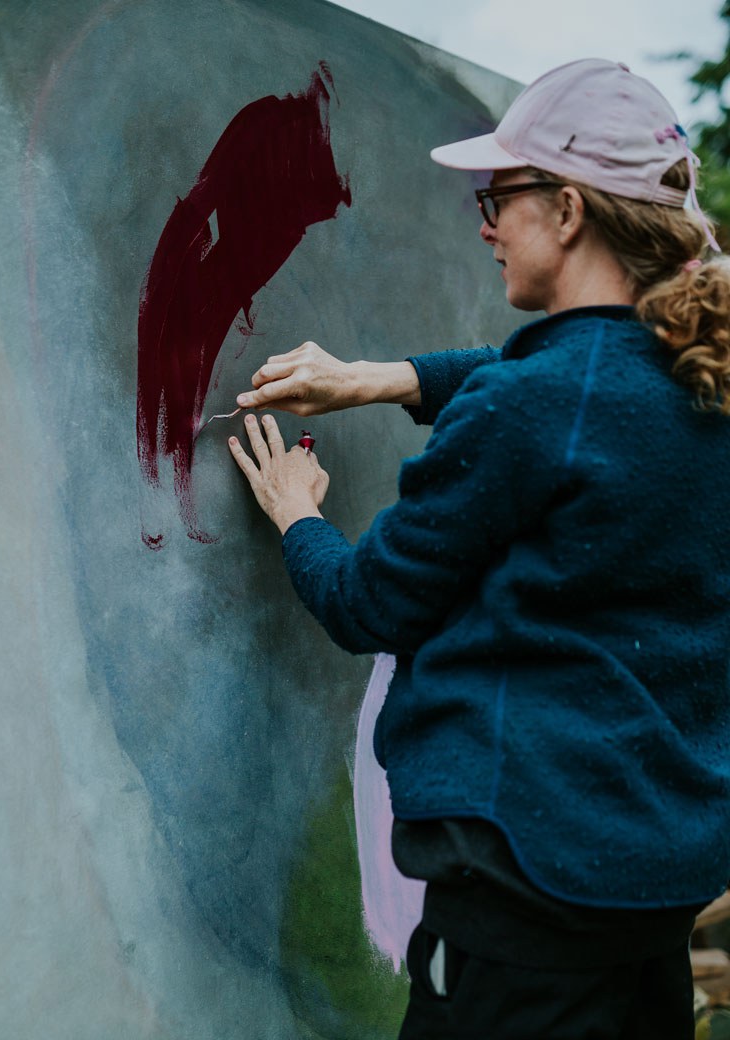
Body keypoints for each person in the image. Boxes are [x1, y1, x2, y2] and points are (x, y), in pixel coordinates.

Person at [228, 59, 730, 1039]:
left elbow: (367, 603)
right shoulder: (696, 380)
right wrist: (379, 378)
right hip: (648, 898)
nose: (486, 225)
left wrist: (297, 515)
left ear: (569, 210)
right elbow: (570, 377)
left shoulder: (529, 406)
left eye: (497, 198)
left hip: (520, 923)